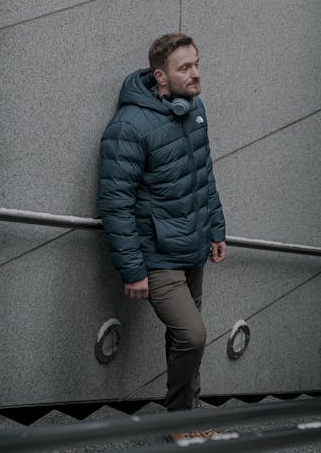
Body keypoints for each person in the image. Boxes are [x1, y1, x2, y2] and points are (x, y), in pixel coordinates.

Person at [97, 33, 227, 441]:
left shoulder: (195, 108)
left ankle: (190, 413)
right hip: (157, 256)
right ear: (160, 76)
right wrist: (133, 269)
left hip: (194, 245)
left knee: (184, 340)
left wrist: (216, 228)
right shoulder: (129, 126)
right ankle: (177, 422)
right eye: (185, 68)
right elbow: (115, 203)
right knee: (193, 335)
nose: (196, 73)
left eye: (197, 63)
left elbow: (203, 174)